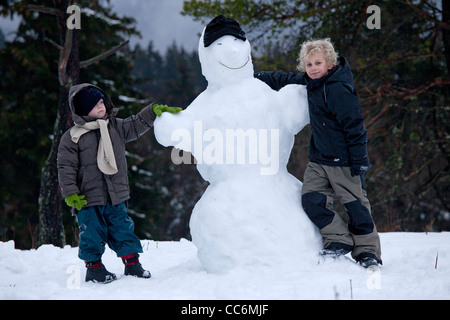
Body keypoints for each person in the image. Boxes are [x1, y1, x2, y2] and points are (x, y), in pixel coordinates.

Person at [256, 39, 382, 268]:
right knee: (312, 200)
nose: (313, 68)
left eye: (318, 63)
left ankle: (367, 252)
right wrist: (257, 77)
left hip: (344, 162)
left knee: (356, 207)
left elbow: (355, 126)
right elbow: (285, 79)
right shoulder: (310, 81)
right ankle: (338, 240)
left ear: (330, 64)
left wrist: (360, 159)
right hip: (318, 161)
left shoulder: (337, 89)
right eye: (309, 64)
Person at [57, 83, 181, 283]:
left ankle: (132, 264)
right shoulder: (72, 137)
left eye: (101, 102)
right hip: (88, 197)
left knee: (123, 230)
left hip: (116, 194)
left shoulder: (115, 127)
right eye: (94, 105)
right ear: (82, 110)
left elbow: (135, 124)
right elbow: (65, 167)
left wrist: (152, 112)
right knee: (92, 233)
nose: (101, 107)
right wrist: (70, 192)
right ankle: (95, 268)